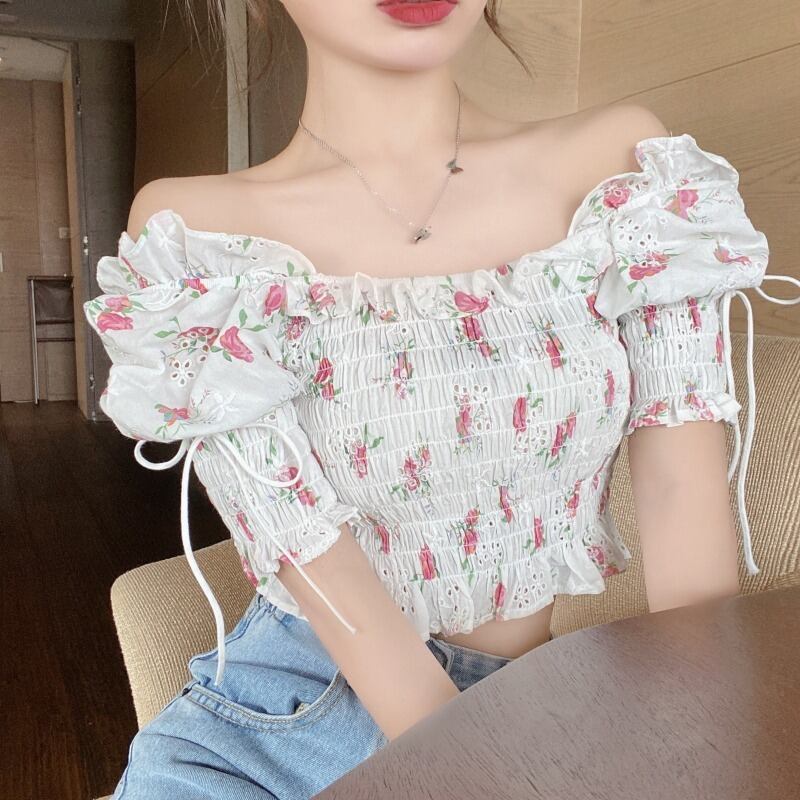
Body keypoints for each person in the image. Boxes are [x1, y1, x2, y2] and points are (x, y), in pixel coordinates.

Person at [83, 1, 799, 798]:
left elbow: (679, 495)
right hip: (278, 732)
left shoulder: (625, 174)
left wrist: (694, 741)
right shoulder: (197, 238)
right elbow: (295, 536)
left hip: (540, 703)